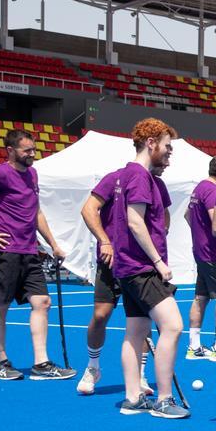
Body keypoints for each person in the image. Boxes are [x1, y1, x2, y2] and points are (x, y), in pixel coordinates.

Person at [0, 129, 71, 381]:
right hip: (3, 250)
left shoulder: (32, 174)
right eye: (26, 150)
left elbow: (36, 211)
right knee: (0, 305)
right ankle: (1, 363)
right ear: (10, 151)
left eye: (33, 149)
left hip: (29, 249)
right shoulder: (0, 174)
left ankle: (41, 363)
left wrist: (52, 244)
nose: (32, 154)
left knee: (42, 302)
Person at [112, 118, 187, 419]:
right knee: (173, 326)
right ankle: (164, 400)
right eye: (167, 147)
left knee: (136, 331)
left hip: (128, 267)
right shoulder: (139, 176)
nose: (170, 153)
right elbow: (134, 220)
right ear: (151, 142)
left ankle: (132, 398)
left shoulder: (131, 176)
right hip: (141, 267)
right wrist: (158, 261)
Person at [77, 165, 152, 396]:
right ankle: (93, 367)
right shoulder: (114, 178)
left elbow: (164, 217)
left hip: (139, 263)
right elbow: (89, 209)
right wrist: (105, 241)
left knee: (142, 320)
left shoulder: (152, 182)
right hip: (110, 261)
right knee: (101, 315)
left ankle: (140, 374)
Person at [185, 155, 216, 362]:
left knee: (201, 297)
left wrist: (199, 235)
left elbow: (187, 215)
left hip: (201, 251)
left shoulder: (199, 188)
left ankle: (194, 346)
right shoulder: (213, 191)